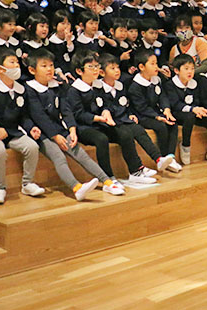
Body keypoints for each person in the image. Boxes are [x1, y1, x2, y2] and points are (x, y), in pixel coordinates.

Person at [64, 51, 171, 184]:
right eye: (91, 67)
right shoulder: (74, 90)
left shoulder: (97, 86)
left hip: (101, 123)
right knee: (101, 139)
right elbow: (78, 114)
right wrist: (99, 117)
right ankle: (109, 177)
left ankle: (136, 170)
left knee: (125, 133)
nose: (95, 69)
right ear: (79, 71)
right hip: (85, 126)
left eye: (97, 66)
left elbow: (105, 104)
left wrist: (106, 111)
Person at [25, 49, 110, 201]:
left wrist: (72, 130)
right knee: (59, 157)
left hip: (59, 129)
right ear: (32, 70)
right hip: (42, 133)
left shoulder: (57, 86)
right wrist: (55, 136)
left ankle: (108, 181)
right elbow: (39, 116)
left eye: (51, 65)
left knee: (80, 153)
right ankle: (76, 187)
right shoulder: (30, 89)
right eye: (44, 66)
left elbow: (66, 110)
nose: (49, 69)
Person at [0, 47, 45, 205]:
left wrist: (30, 126)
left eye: (17, 62)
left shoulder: (20, 89)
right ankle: (0, 188)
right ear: (0, 68)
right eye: (12, 62)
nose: (17, 66)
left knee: (32, 146)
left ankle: (27, 184)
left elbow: (23, 115)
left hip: (12, 131)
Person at [128, 50, 182, 170]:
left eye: (156, 63)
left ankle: (171, 157)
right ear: (141, 67)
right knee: (161, 126)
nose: (156, 67)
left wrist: (166, 110)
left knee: (173, 124)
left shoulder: (156, 79)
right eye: (152, 64)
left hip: (156, 112)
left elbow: (162, 96)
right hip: (143, 115)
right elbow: (141, 107)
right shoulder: (135, 86)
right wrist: (157, 117)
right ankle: (163, 157)